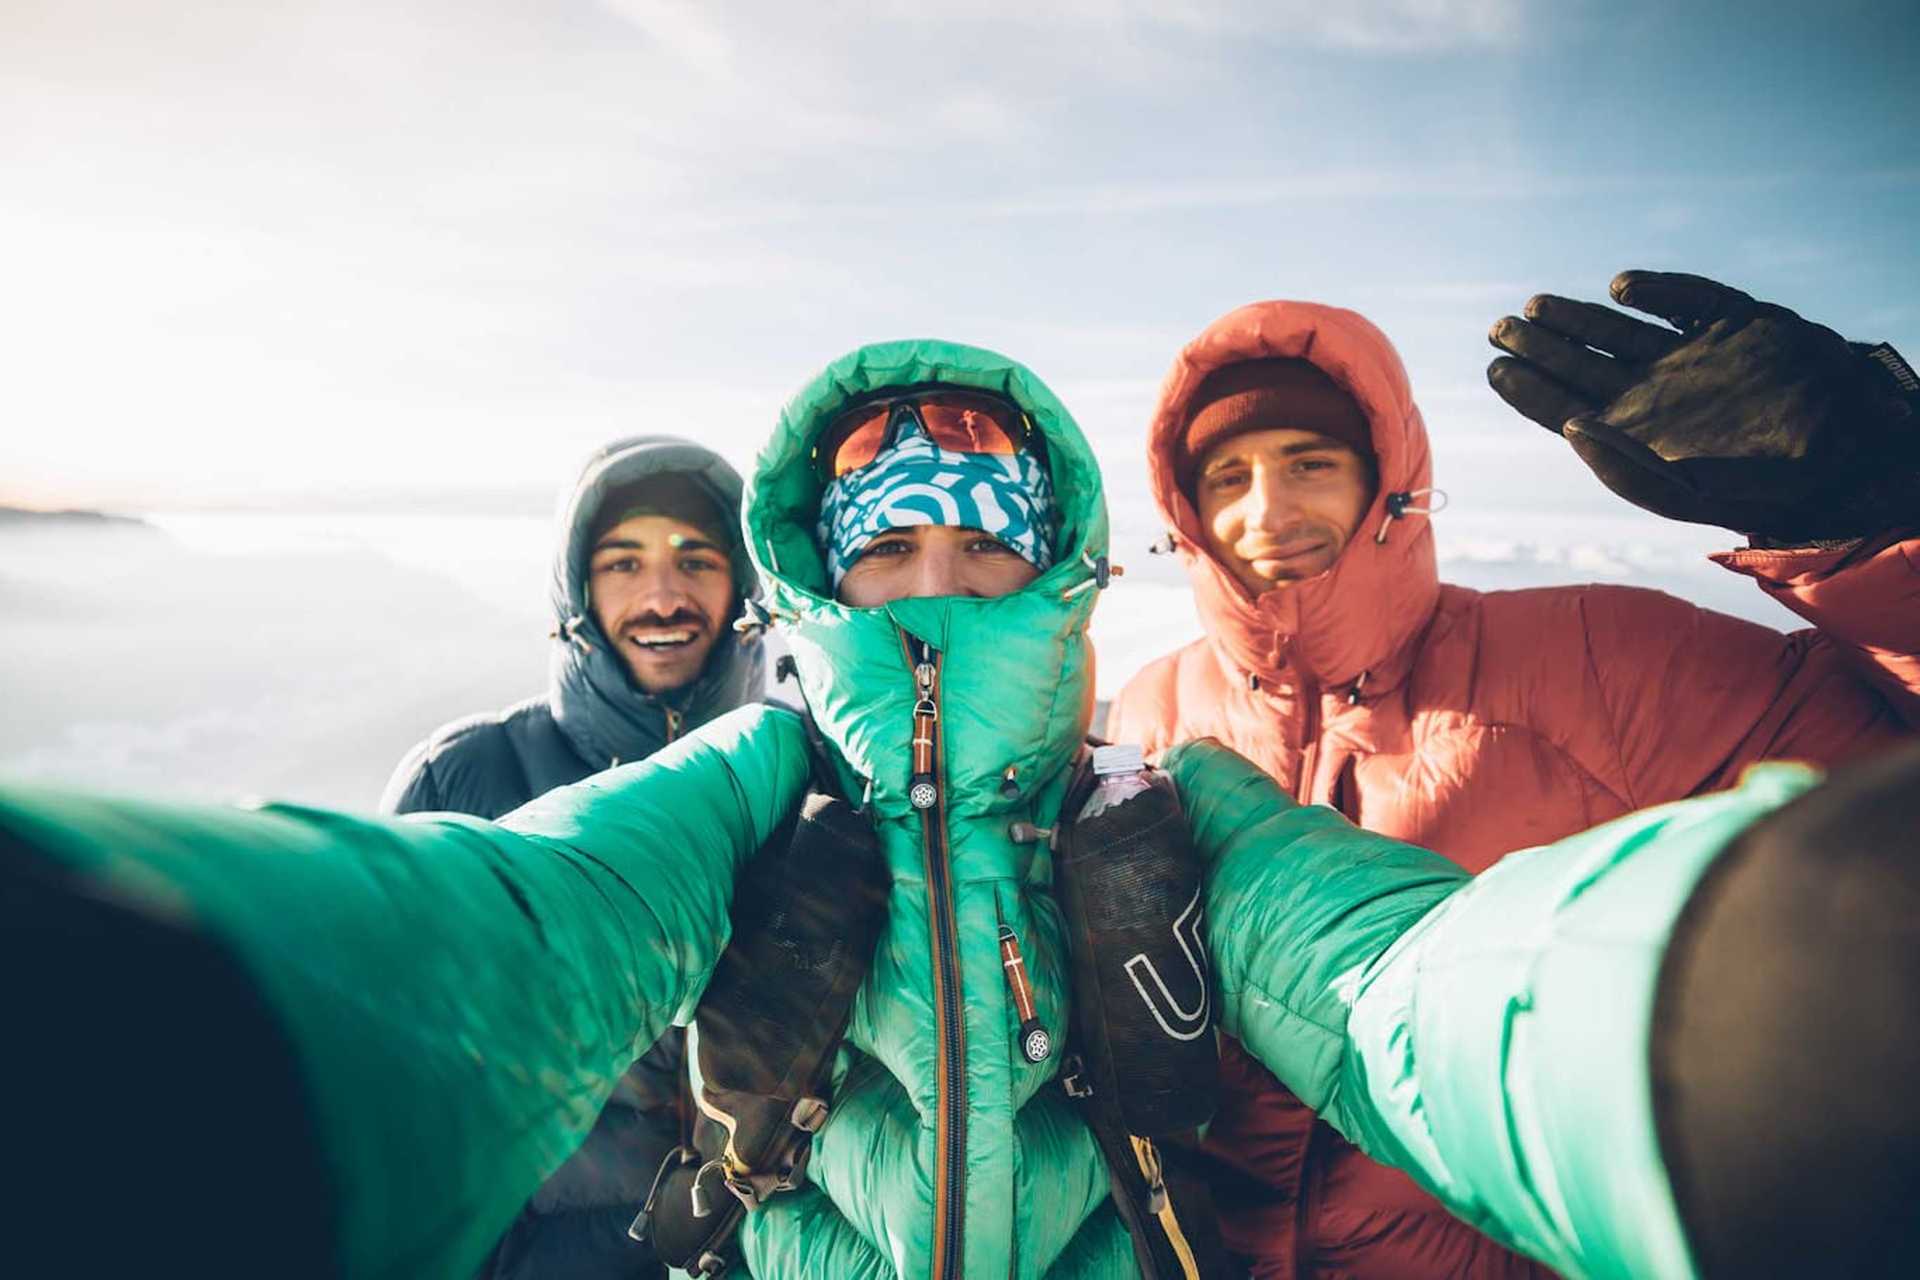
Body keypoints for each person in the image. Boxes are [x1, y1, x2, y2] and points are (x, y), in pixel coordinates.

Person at [6, 337, 1919, 1280]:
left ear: (1059, 569)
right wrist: (210, 1005)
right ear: (821, 577)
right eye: (882, 541)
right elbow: (535, 916)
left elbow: (1390, 978)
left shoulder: (1154, 795)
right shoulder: (754, 778)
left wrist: (1720, 1034)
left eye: (980, 541)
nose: (932, 583)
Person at [1108, 271, 1920, 1277]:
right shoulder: (1151, 710)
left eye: (1309, 461)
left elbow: (1891, 789)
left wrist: (1881, 511)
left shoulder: (1601, 655)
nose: (1265, 510)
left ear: (1388, 478)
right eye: (1226, 478)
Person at [381, 435, 766, 1280]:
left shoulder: (802, 788)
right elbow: (401, 1098)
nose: (663, 595)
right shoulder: (466, 779)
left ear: (745, 588)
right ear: (577, 593)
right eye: (624, 564)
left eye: (696, 560)